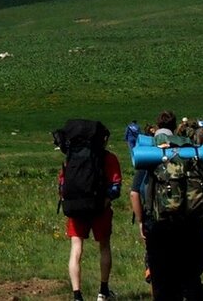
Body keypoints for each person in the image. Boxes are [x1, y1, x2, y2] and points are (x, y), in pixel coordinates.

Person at [131, 110, 203, 301]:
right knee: (192, 280)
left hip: (160, 229)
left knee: (163, 287)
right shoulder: (193, 155)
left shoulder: (153, 156)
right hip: (193, 229)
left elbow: (136, 192)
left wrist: (141, 221)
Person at [57, 122, 122, 301]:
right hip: (100, 208)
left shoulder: (71, 158)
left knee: (76, 249)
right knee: (104, 247)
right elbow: (115, 187)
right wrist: (105, 202)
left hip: (75, 208)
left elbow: (62, 185)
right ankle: (103, 291)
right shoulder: (108, 158)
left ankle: (77, 295)